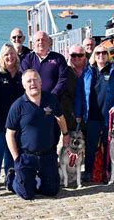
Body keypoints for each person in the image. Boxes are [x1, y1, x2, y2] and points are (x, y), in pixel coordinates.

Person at [5, 69, 70, 200]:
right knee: (26, 195)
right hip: (26, 156)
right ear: (24, 85)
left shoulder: (50, 99)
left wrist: (66, 134)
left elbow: (60, 117)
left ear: (41, 82)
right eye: (29, 81)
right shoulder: (18, 106)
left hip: (48, 155)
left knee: (52, 191)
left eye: (35, 79)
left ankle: (33, 180)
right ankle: (12, 179)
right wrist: (17, 158)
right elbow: (9, 134)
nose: (32, 83)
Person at [75, 45, 114, 181]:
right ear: (94, 55)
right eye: (98, 53)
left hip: (110, 116)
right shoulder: (88, 72)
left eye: (104, 53)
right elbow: (80, 93)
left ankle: (108, 173)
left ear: (108, 55)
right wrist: (78, 113)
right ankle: (89, 171)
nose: (101, 55)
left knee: (109, 146)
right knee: (91, 145)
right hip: (92, 115)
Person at [0, 44, 24, 188]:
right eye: (6, 54)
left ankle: (10, 177)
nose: (10, 57)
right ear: (2, 56)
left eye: (12, 53)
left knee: (11, 150)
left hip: (15, 120)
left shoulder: (21, 73)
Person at [21, 31, 68, 148]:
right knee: (34, 134)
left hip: (53, 103)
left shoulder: (58, 58)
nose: (40, 42)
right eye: (37, 40)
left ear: (49, 43)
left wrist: (51, 96)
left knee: (52, 136)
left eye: (43, 40)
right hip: (32, 104)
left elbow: (63, 79)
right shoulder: (28, 59)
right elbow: (24, 78)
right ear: (33, 43)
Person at [60, 44, 87, 132]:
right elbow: (63, 94)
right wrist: (72, 112)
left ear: (85, 55)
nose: (76, 58)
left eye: (80, 55)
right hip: (70, 118)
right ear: (69, 55)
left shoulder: (92, 71)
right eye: (73, 55)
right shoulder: (64, 72)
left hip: (89, 116)